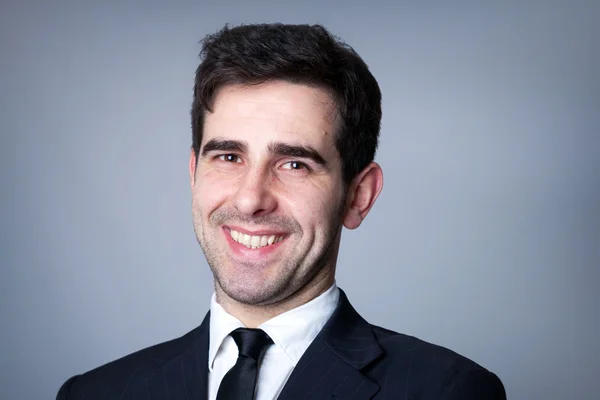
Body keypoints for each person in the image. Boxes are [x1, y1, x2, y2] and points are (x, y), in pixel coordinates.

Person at [57, 23, 506, 400]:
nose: (251, 199)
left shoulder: (445, 390)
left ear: (359, 195)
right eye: (229, 157)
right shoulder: (95, 392)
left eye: (294, 164)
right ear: (194, 173)